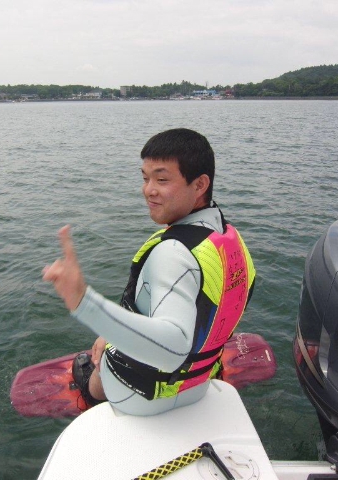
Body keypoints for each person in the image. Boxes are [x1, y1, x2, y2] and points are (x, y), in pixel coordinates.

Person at [42, 128, 255, 416]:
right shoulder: (229, 240)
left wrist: (83, 301)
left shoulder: (173, 254)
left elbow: (172, 349)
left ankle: (93, 392)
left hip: (139, 397)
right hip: (197, 385)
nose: (148, 190)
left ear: (200, 184)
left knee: (103, 358)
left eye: (162, 179)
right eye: (145, 178)